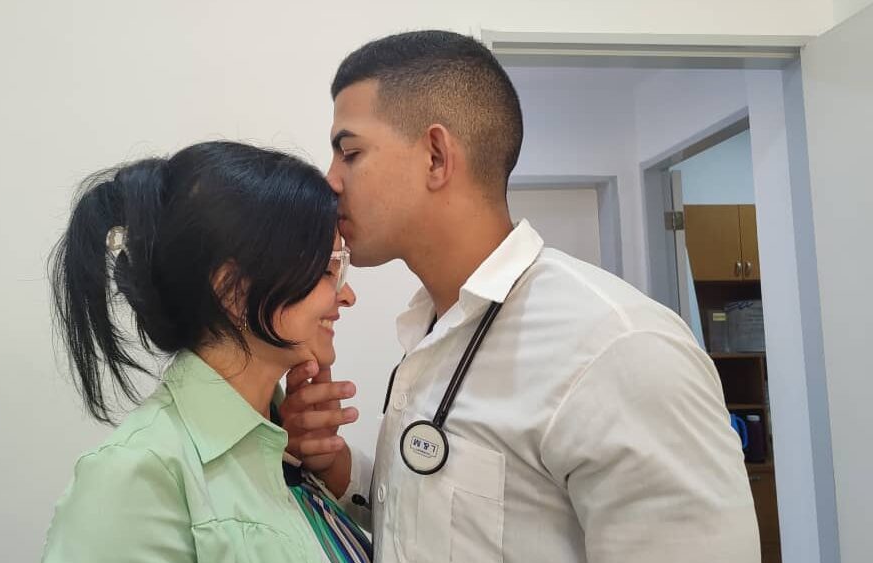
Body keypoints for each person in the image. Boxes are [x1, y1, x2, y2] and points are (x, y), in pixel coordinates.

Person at [281, 31, 760, 563]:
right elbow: (440, 523)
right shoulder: (430, 327)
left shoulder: (618, 349)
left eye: (349, 152)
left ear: (436, 157)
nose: (330, 180)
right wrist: (337, 467)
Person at [42, 141, 371, 562]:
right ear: (232, 289)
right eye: (327, 269)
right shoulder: (138, 475)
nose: (347, 295)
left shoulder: (289, 455)